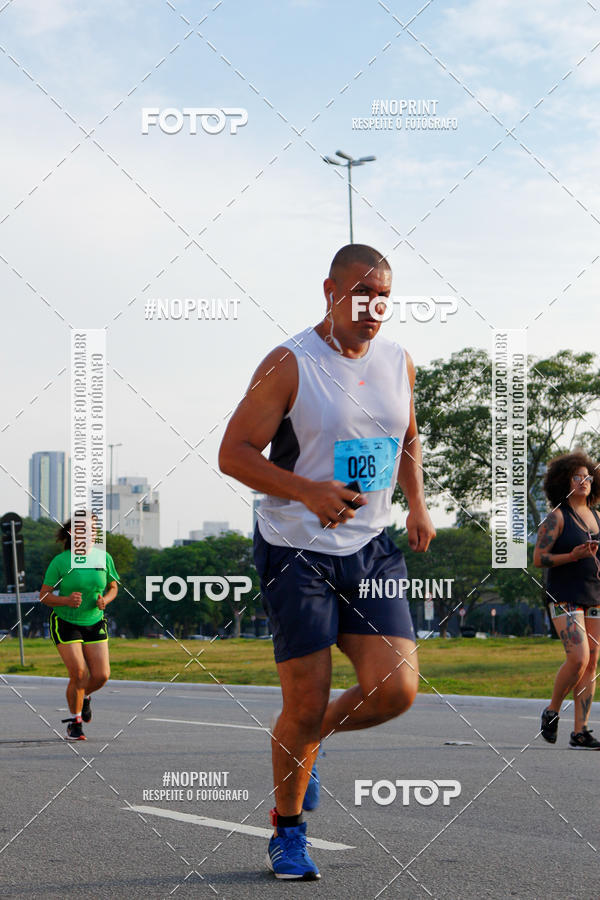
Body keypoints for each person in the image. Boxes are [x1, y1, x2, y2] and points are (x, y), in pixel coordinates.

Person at [219, 244, 436, 880]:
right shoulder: (289, 363)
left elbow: (409, 434)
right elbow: (234, 453)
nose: (374, 309)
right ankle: (288, 832)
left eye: (385, 298)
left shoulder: (399, 361)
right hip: (295, 550)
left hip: (370, 548)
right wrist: (308, 491)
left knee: (396, 690)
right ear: (330, 292)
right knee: (304, 702)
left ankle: (310, 747)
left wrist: (417, 503)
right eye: (361, 295)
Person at [534, 452, 600, 749]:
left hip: (595, 595)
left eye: (587, 476)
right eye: (576, 476)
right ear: (564, 481)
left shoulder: (598, 516)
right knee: (578, 657)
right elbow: (539, 559)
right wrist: (572, 556)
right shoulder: (557, 517)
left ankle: (580, 732)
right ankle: (552, 710)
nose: (583, 481)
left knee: (592, 662)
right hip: (564, 596)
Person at [39, 516, 119, 741]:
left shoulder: (104, 558)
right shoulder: (61, 562)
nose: (91, 533)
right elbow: (44, 595)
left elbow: (113, 587)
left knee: (102, 676)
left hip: (94, 621)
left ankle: (83, 697)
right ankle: (75, 722)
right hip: (66, 622)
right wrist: (65, 600)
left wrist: (106, 600)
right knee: (79, 673)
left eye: (94, 530)